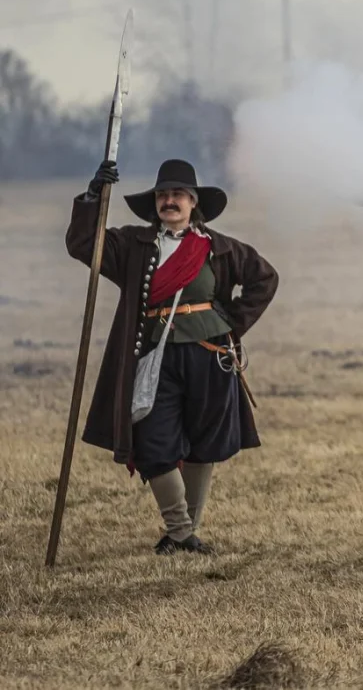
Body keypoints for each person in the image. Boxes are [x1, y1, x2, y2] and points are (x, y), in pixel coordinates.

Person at [65, 159, 278, 555]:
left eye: (178, 194)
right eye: (163, 195)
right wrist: (92, 198)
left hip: (210, 356)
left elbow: (265, 278)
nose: (169, 200)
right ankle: (181, 532)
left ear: (193, 202)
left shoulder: (220, 247)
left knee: (204, 443)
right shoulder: (132, 244)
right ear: (155, 204)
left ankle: (184, 534)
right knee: (153, 443)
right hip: (153, 361)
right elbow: (82, 245)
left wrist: (230, 325)